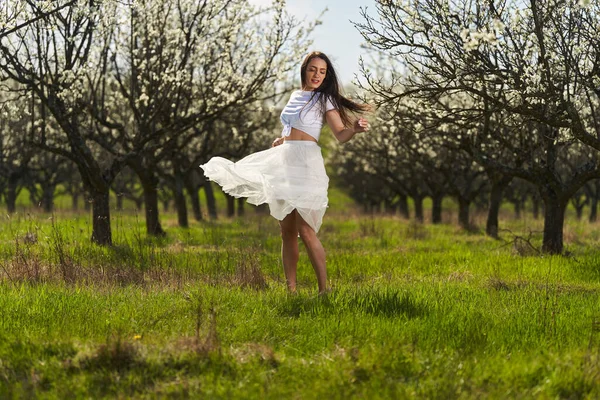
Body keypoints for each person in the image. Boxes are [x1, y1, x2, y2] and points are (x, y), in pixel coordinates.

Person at [201, 51, 370, 294]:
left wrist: (353, 129)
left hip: (307, 164)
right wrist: (282, 139)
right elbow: (291, 127)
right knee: (287, 230)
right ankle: (291, 291)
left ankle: (324, 291)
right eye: (313, 69)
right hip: (285, 162)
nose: (317, 75)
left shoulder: (325, 100)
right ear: (305, 69)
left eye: (322, 71)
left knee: (306, 230)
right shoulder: (295, 96)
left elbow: (341, 135)